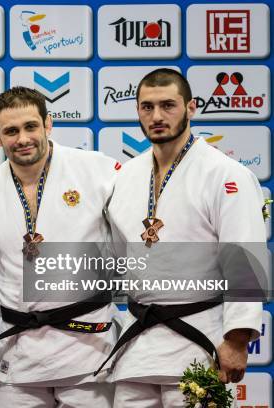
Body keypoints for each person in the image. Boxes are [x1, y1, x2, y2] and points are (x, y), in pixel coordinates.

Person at [104, 68, 264, 407]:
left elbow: (244, 261)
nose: (157, 116)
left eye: (168, 105)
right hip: (139, 345)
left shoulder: (225, 174)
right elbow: (119, 256)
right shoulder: (126, 176)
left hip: (198, 339)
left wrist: (236, 340)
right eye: (147, 107)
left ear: (191, 108)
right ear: (137, 112)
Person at [0, 86, 119, 407]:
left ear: (48, 124)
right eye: (11, 131)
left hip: (88, 345)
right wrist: (12, 306)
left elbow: (132, 236)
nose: (23, 138)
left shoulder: (97, 170)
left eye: (31, 127)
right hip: (20, 344)